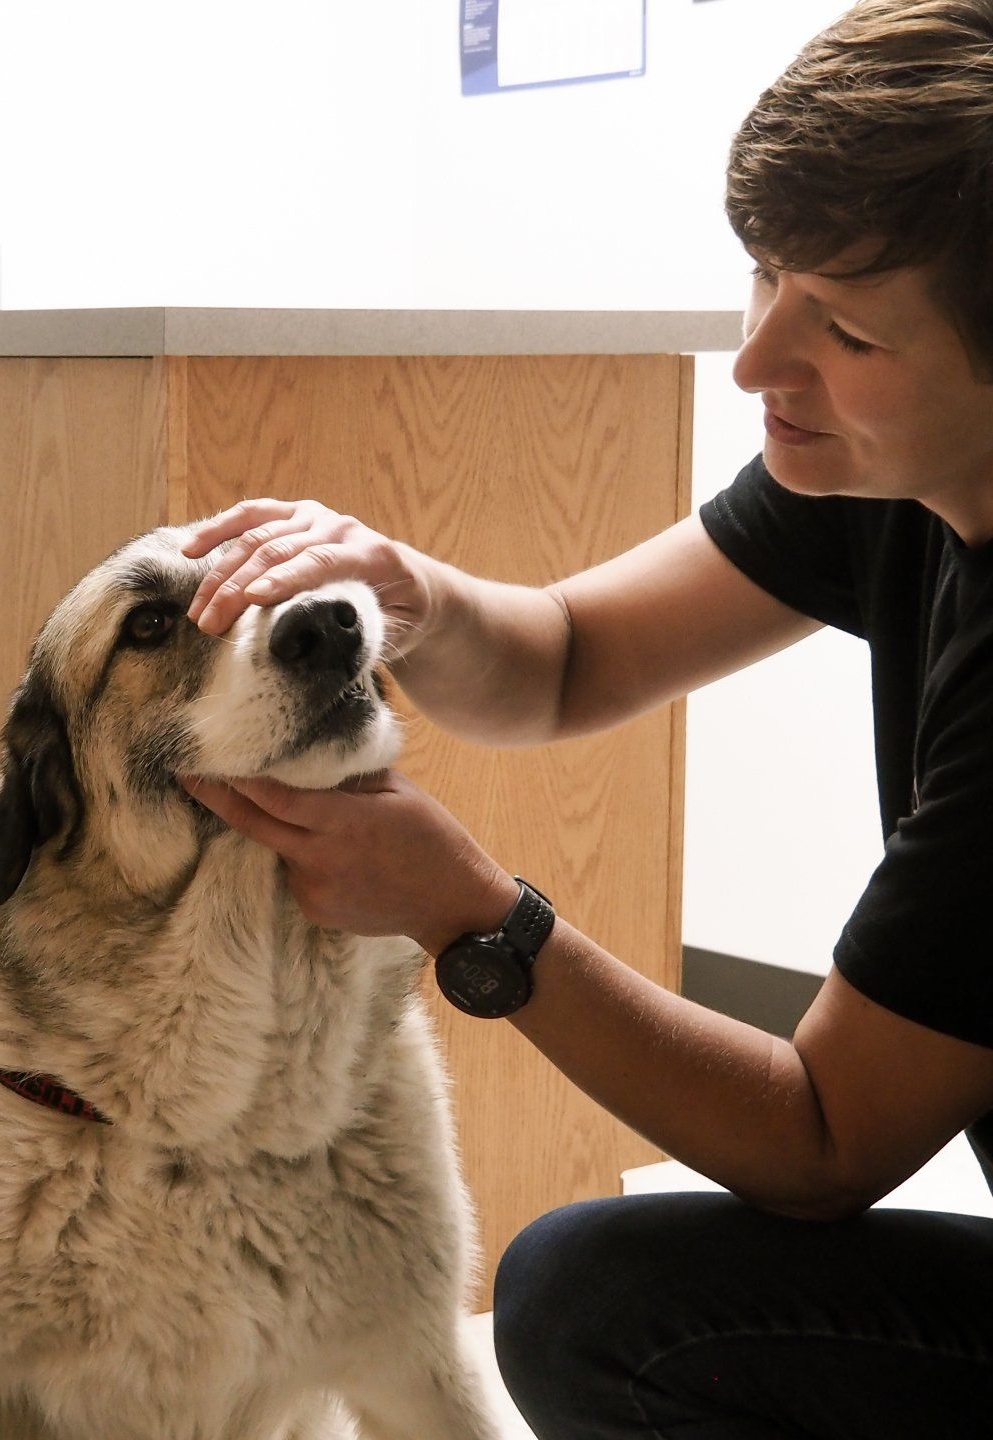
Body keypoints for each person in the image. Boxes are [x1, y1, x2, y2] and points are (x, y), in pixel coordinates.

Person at [180, 1, 993, 1434]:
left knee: (598, 1307)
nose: (754, 362)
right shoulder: (892, 481)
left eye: (848, 331)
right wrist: (407, 586)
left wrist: (476, 919)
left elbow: (820, 1140)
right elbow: (565, 661)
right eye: (763, 277)